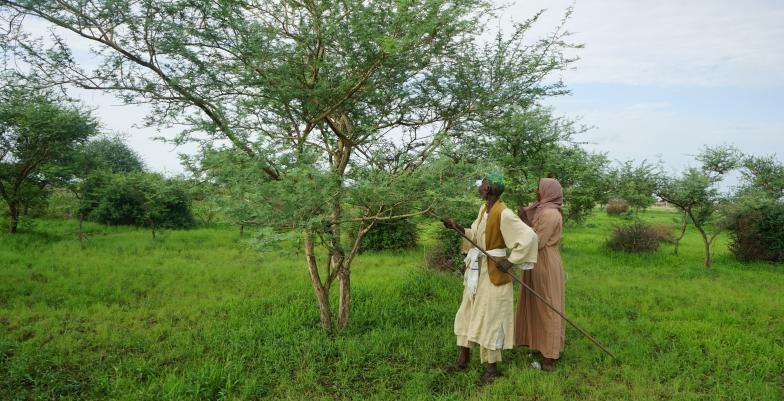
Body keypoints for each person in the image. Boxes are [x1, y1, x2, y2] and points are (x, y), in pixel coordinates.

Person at [442, 174, 538, 385]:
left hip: (494, 272)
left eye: (483, 184)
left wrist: (511, 261)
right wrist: (457, 227)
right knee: (466, 312)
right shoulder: (483, 210)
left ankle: (491, 370)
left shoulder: (504, 213)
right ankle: (462, 360)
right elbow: (474, 237)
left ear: (490, 189)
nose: (480, 187)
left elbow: (530, 237)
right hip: (477, 271)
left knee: (492, 318)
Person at [514, 178, 565, 371]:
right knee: (536, 305)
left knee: (548, 307)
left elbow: (538, 240)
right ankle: (539, 345)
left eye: (539, 188)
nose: (536, 191)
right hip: (536, 260)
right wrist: (525, 219)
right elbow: (533, 233)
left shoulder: (550, 214)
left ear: (548, 191)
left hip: (544, 262)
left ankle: (550, 357)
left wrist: (523, 221)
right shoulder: (543, 210)